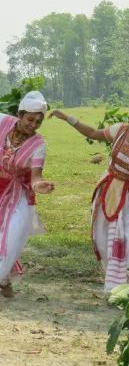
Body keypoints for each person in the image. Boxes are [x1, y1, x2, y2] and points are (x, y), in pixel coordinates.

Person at [50, 105, 129, 292]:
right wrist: (68, 118)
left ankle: (126, 287)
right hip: (108, 191)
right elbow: (93, 133)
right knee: (103, 238)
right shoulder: (121, 130)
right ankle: (113, 286)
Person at [0, 91, 55, 298]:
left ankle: (2, 276)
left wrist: (39, 185)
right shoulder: (2, 122)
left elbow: (35, 177)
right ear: (19, 114)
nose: (33, 125)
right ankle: (4, 279)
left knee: (12, 235)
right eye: (30, 119)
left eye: (38, 122)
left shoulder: (38, 145)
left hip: (17, 193)